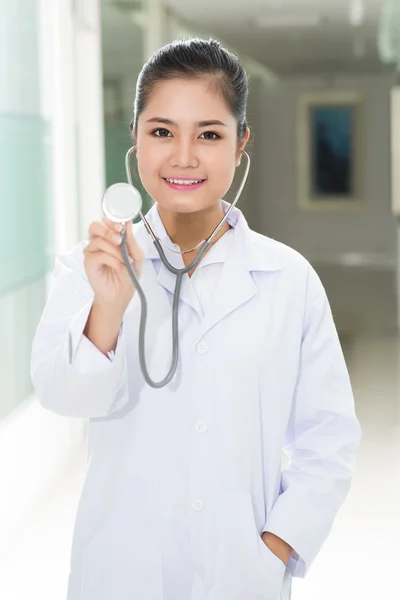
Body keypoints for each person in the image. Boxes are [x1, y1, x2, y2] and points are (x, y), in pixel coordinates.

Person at [31, 38, 362, 600]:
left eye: (209, 134)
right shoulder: (88, 266)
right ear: (134, 138)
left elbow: (328, 438)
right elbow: (64, 398)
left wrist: (274, 548)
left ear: (240, 146)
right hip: (119, 573)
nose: (184, 156)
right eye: (162, 132)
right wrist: (107, 309)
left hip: (240, 576)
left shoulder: (288, 279)